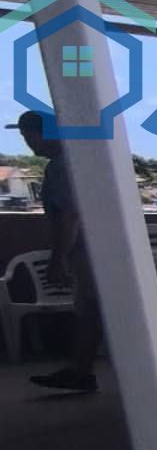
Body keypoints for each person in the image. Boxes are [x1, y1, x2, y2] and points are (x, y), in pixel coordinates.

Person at [12, 111, 98, 392]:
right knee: (95, 312)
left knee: (97, 310)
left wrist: (58, 258)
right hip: (91, 251)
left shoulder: (64, 167)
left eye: (29, 135)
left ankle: (81, 372)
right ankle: (80, 371)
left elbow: (71, 215)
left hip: (89, 252)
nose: (28, 143)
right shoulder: (73, 163)